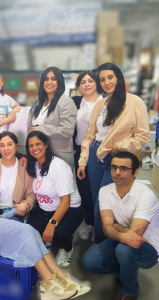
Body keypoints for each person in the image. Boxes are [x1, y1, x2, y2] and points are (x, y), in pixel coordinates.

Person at [0, 155, 90, 299]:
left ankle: (60, 277)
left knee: (31, 230)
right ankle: (47, 281)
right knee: (24, 230)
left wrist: (17, 210)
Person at [77, 63, 150, 244]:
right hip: (95, 154)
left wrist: (121, 145)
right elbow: (89, 135)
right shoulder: (100, 104)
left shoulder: (135, 102)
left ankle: (102, 241)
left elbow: (143, 136)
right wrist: (82, 161)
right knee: (96, 198)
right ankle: (100, 236)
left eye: (110, 77)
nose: (106, 82)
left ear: (118, 77)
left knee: (108, 201)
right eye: (102, 79)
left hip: (116, 157)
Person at [84, 152, 159, 300]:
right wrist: (120, 232)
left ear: (135, 171)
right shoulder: (105, 191)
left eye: (124, 168)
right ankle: (127, 268)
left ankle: (130, 292)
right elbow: (107, 226)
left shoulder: (146, 195)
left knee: (125, 250)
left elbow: (135, 237)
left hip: (149, 247)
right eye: (114, 167)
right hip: (122, 240)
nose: (117, 172)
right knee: (91, 263)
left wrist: (116, 227)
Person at [26, 131, 84, 268]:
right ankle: (50, 238)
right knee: (29, 231)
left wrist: (51, 225)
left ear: (46, 145)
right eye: (31, 146)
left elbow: (66, 201)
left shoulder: (59, 167)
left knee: (59, 232)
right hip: (45, 208)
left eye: (38, 144)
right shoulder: (34, 164)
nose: (35, 148)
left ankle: (67, 248)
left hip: (69, 208)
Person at [72, 71, 103, 242]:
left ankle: (99, 226)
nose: (87, 84)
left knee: (98, 191)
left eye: (90, 81)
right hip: (79, 151)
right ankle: (89, 222)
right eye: (82, 82)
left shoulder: (104, 103)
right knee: (84, 189)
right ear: (78, 87)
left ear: (96, 83)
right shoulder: (77, 102)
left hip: (98, 150)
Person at [27, 66, 77, 168]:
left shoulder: (66, 102)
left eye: (53, 79)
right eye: (46, 79)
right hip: (39, 154)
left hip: (59, 154)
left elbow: (67, 130)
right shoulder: (39, 103)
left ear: (59, 82)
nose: (49, 82)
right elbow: (30, 127)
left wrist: (41, 129)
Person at [0, 131, 35, 222]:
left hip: (16, 212)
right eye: (2, 145)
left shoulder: (25, 167)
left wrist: (26, 204)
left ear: (16, 146)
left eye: (9, 144)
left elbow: (31, 194)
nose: (6, 149)